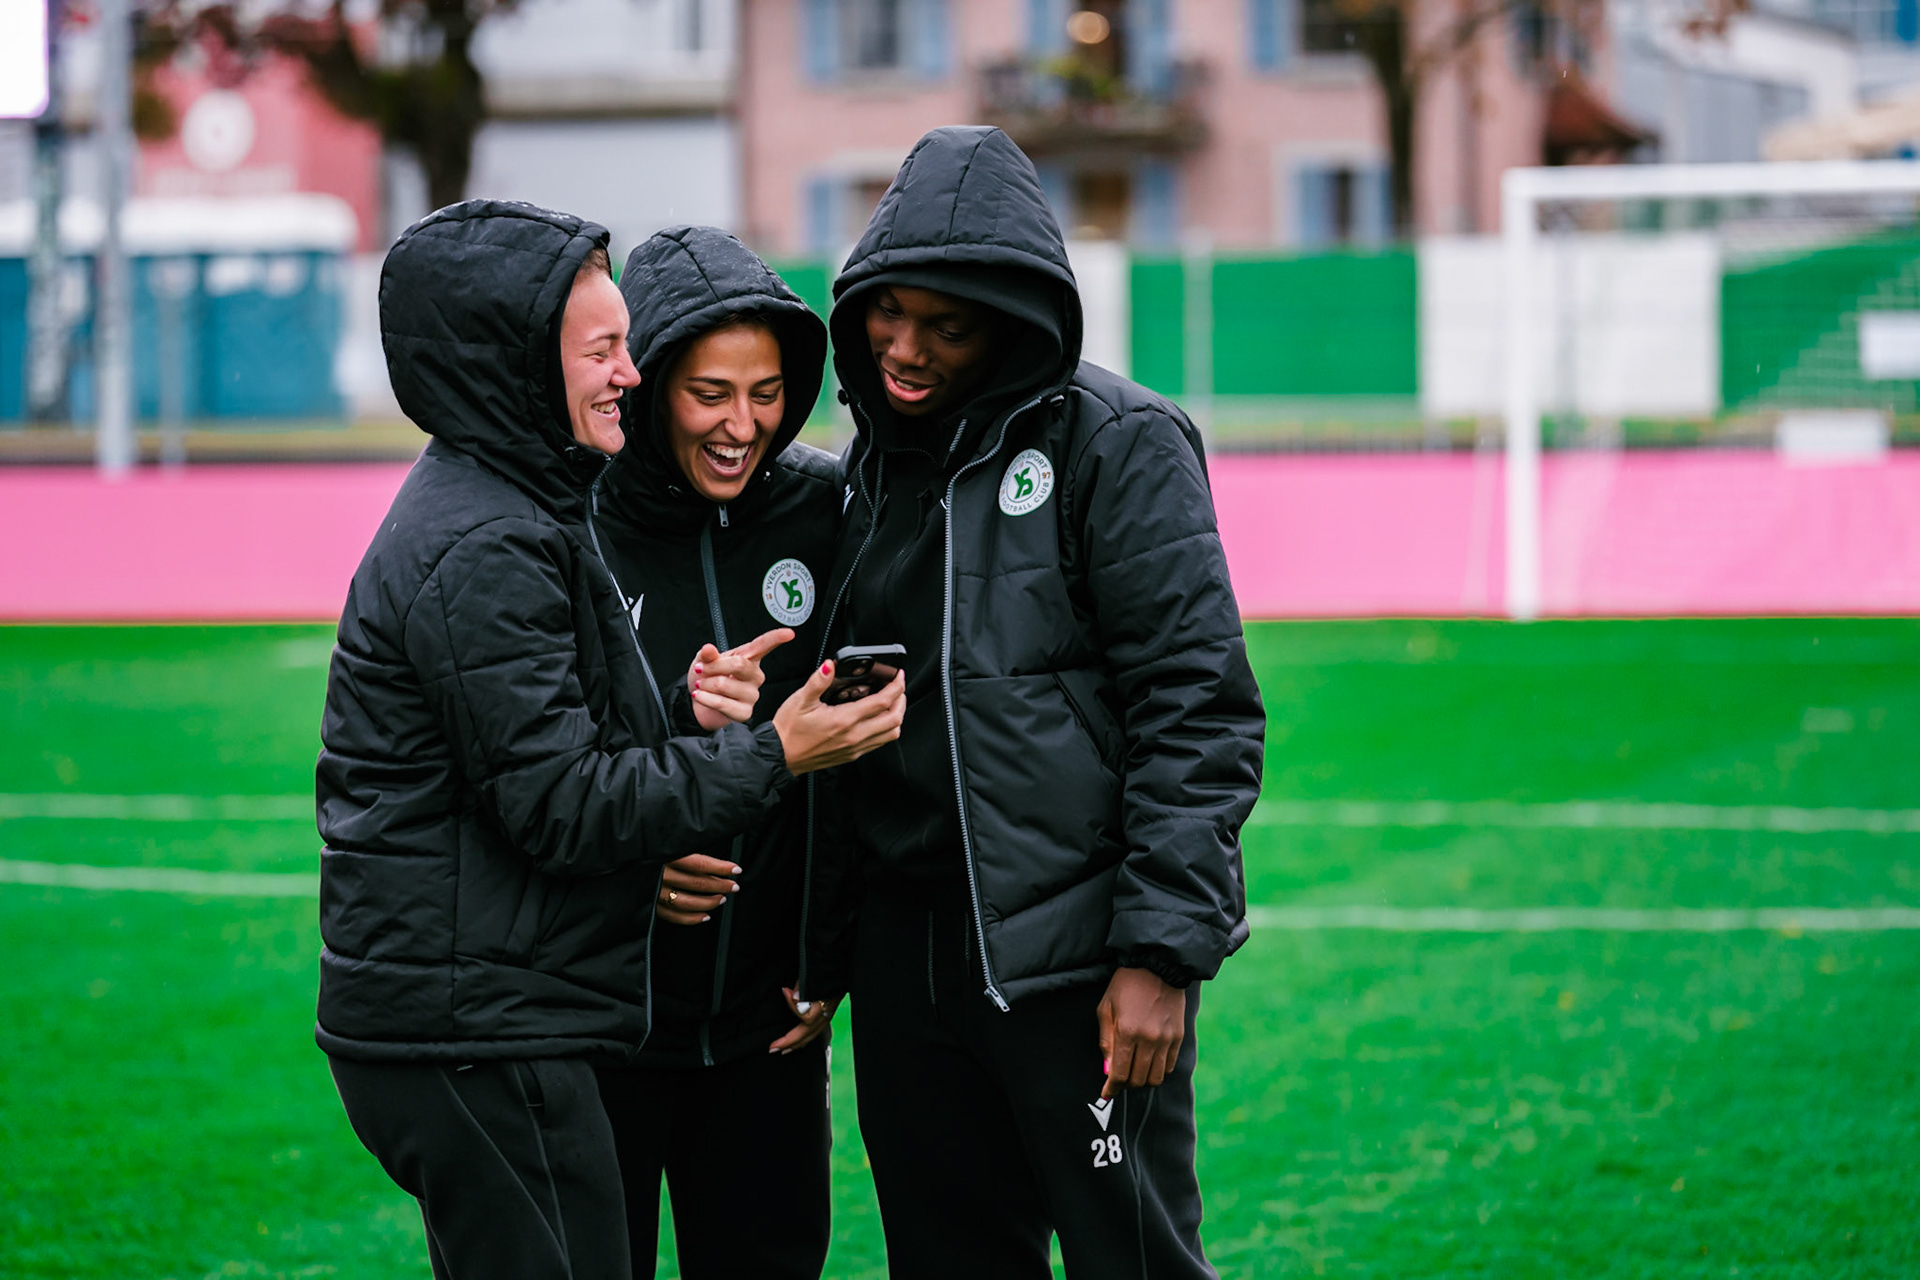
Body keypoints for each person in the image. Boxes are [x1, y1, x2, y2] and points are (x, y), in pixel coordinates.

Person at [313, 199, 903, 1280]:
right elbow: (562, 799)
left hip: (636, 1022)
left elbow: (545, 760)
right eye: (607, 353)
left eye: (767, 392)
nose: (626, 375)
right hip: (512, 1026)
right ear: (520, 363)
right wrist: (767, 756)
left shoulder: (522, 507)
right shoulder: (501, 534)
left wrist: (687, 725)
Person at [814, 126, 1266, 1278]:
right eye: (888, 313)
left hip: (1077, 964)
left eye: (947, 326)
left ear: (1012, 321)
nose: (906, 348)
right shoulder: (869, 465)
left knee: (1137, 1263)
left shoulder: (1121, 441)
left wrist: (1162, 954)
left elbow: (1197, 706)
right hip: (905, 966)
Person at [589, 225, 845, 1279]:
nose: (743, 426)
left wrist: (829, 950)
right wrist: (632, 868)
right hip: (601, 1031)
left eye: (767, 393)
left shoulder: (827, 508)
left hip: (768, 1036)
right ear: (650, 389)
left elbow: (876, 757)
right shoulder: (571, 523)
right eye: (710, 394)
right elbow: (520, 766)